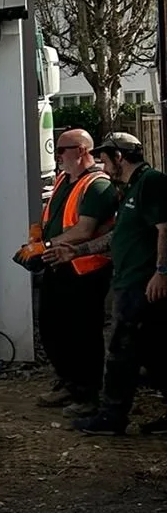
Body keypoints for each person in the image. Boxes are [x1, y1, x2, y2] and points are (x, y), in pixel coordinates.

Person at [64, 133, 167, 435]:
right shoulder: (131, 187)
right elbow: (117, 236)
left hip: (141, 283)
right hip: (130, 281)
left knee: (122, 351)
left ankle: (112, 416)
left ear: (119, 157)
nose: (103, 166)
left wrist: (162, 272)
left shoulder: (151, 182)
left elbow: (165, 229)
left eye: (105, 160)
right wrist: (78, 251)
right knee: (152, 351)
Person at [34, 130, 115, 409]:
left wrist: (45, 245)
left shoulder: (97, 185)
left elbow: (84, 230)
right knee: (53, 326)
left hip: (85, 269)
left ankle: (86, 391)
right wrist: (39, 238)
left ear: (81, 150)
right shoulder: (64, 180)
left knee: (82, 331)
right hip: (59, 264)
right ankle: (69, 381)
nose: (57, 156)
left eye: (62, 150)